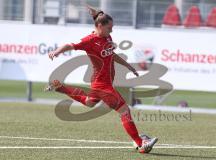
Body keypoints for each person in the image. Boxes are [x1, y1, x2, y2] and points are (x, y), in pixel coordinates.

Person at [45, 5, 158, 153]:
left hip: (100, 82)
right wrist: (57, 51)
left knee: (89, 102)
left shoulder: (107, 36)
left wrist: (128, 66)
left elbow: (112, 54)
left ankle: (61, 87)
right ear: (100, 26)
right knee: (124, 110)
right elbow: (70, 45)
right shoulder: (90, 41)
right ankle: (140, 143)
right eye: (109, 27)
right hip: (102, 85)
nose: (112, 30)